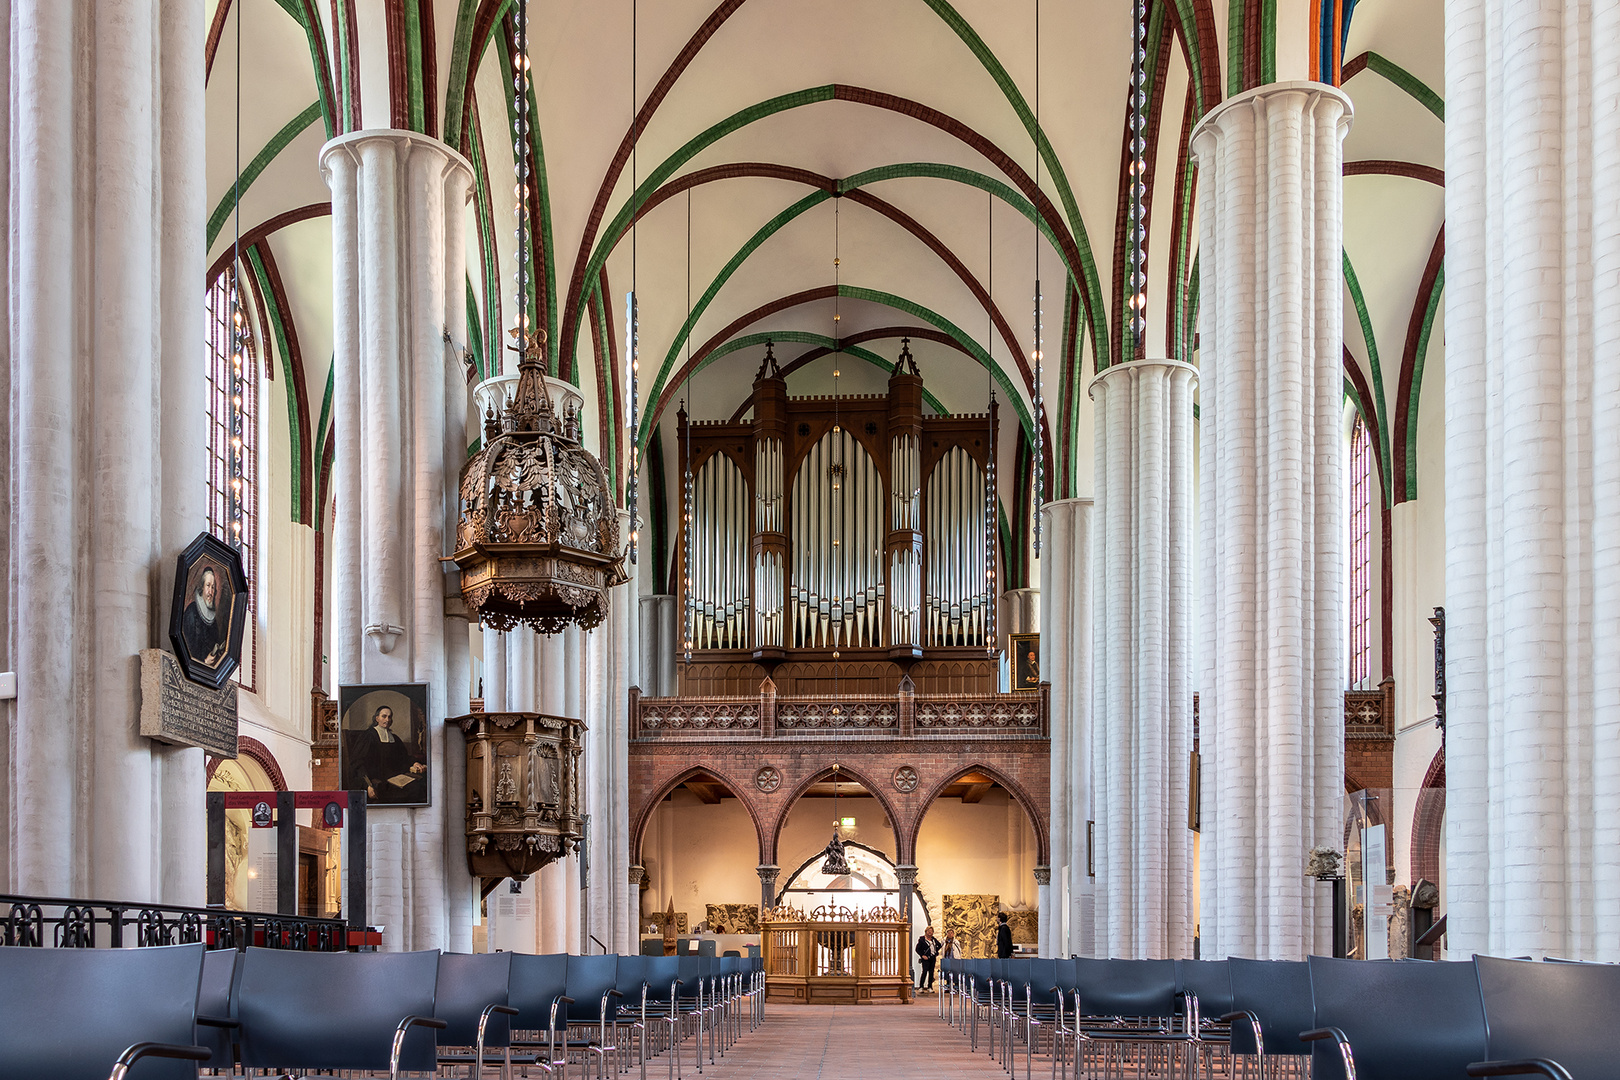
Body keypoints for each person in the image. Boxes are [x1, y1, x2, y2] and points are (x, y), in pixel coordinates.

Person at [349, 704, 426, 804]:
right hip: (378, 781)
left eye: (389, 717)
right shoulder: (368, 736)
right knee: (409, 790)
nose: (387, 719)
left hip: (396, 778)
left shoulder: (394, 738)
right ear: (377, 718)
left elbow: (404, 758)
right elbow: (358, 763)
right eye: (384, 716)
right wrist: (367, 785)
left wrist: (414, 763)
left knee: (419, 785)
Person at [181, 567, 228, 666]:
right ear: (202, 587)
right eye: (208, 586)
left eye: (213, 587)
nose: (210, 592)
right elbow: (186, 648)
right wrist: (204, 661)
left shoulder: (213, 620)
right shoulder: (191, 612)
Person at [915, 925, 941, 991]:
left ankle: (930, 986)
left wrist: (935, 952)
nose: (930, 933)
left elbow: (939, 945)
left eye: (931, 931)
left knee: (931, 972)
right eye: (928, 931)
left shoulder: (933, 939)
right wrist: (922, 955)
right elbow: (917, 949)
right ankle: (921, 986)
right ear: (926, 931)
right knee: (925, 971)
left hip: (932, 957)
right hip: (926, 958)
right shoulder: (922, 939)